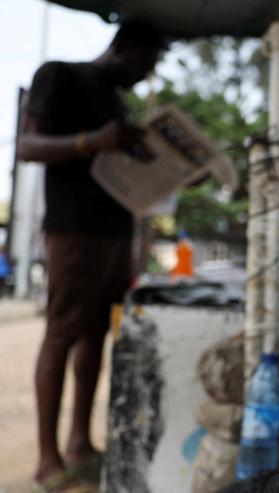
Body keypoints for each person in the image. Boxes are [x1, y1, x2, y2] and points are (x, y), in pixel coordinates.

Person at [18, 23, 166, 491]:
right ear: (122, 47)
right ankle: (47, 459)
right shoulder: (59, 75)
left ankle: (79, 444)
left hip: (115, 231)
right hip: (73, 229)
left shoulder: (118, 104)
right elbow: (26, 146)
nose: (147, 75)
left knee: (97, 333)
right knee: (61, 332)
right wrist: (90, 142)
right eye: (146, 62)